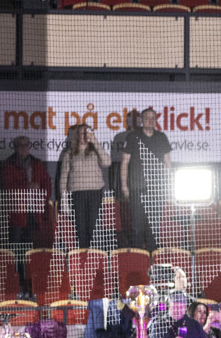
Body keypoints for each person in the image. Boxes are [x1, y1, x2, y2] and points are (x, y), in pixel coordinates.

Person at [118, 107, 170, 251]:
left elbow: (168, 163)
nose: (150, 120)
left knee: (154, 225)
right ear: (141, 120)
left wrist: (167, 185)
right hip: (137, 187)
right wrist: (124, 186)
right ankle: (137, 257)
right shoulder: (133, 137)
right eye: (147, 117)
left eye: (153, 118)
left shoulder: (161, 137)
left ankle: (153, 257)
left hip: (156, 189)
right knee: (137, 226)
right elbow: (125, 162)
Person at [55, 123, 109, 251]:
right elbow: (63, 178)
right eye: (82, 133)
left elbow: (107, 162)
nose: (85, 135)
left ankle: (95, 256)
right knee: (80, 227)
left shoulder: (95, 151)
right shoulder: (69, 154)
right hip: (77, 194)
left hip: (94, 192)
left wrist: (95, 142)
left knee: (94, 227)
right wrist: (64, 200)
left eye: (87, 132)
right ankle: (83, 255)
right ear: (77, 136)